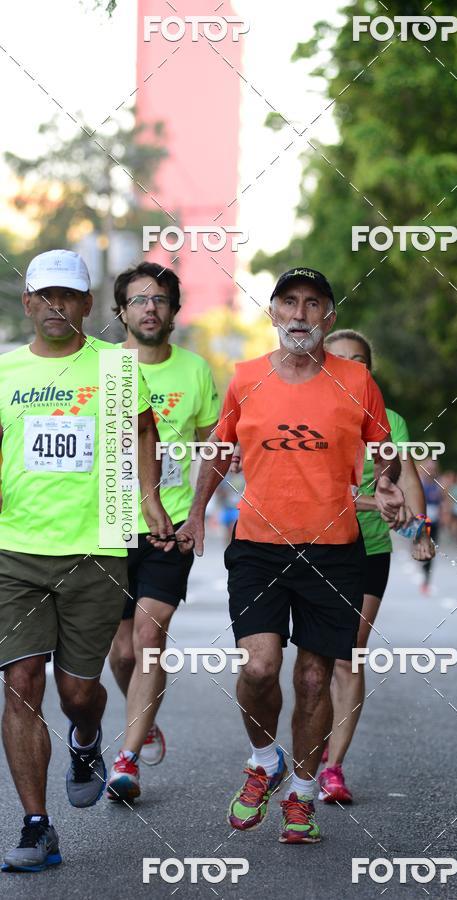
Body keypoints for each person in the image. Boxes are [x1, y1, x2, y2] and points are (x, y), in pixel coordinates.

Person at [177, 267, 406, 844]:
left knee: (312, 678)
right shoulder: (245, 378)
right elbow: (219, 450)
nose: (300, 314)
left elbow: (385, 448)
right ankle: (264, 759)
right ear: (273, 311)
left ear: (329, 316)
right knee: (258, 668)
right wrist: (196, 511)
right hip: (258, 546)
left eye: (312, 303)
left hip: (334, 551)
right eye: (289, 302)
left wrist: (386, 482)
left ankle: (302, 794)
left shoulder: (357, 381)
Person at [0, 250, 172, 873]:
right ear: (28, 303)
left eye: (67, 296)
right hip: (15, 551)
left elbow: (145, 430)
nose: (56, 306)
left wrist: (149, 499)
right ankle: (36, 826)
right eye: (44, 296)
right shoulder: (4, 370)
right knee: (21, 682)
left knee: (76, 691)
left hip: (97, 549)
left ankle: (87, 735)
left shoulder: (116, 367)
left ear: (87, 304)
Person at [106, 263, 219, 802]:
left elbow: (214, 449)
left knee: (149, 638)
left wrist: (196, 513)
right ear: (121, 311)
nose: (149, 308)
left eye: (160, 300)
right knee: (121, 652)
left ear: (174, 311)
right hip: (107, 524)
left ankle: (126, 759)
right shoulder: (102, 368)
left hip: (167, 527)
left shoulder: (196, 371)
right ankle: (144, 720)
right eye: (138, 300)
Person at [319, 329, 434, 802]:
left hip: (368, 548)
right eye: (340, 359)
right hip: (313, 547)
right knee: (315, 658)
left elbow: (407, 478)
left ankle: (333, 766)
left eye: (359, 360)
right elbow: (319, 490)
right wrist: (375, 503)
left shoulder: (390, 419)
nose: (351, 367)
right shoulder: (309, 414)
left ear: (369, 370)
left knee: (349, 653)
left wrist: (420, 531)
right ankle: (310, 744)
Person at [419, 459, 443, 595]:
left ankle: (426, 579)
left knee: (431, 551)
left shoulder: (439, 484)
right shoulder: (419, 483)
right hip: (422, 523)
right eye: (428, 469)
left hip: (435, 522)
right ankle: (423, 565)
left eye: (433, 469)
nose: (430, 471)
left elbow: (443, 502)